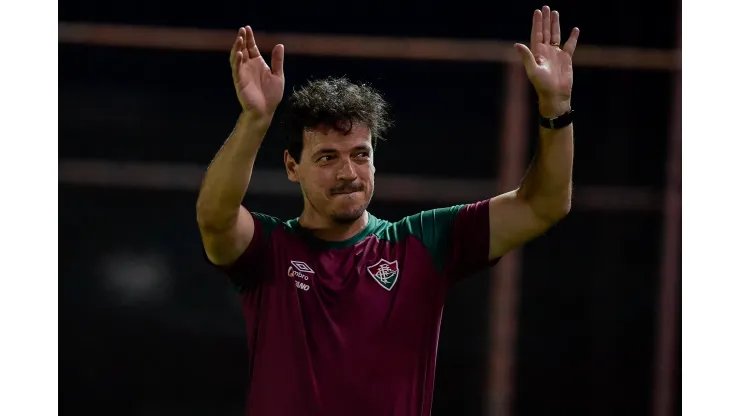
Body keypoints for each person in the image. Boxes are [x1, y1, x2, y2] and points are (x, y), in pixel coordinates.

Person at [196, 5, 579, 416]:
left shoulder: (423, 243)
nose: (348, 172)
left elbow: (544, 204)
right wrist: (255, 119)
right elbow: (216, 217)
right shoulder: (269, 249)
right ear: (293, 167)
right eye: (326, 158)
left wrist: (555, 107)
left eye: (361, 154)